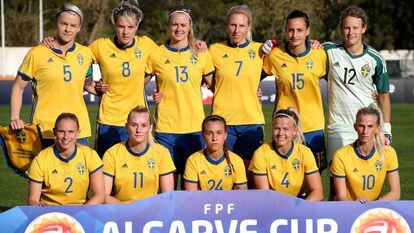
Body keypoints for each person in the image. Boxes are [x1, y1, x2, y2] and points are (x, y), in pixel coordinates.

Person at [323, 5, 391, 199]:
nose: (350, 32)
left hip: (367, 126)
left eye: (355, 27)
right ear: (341, 28)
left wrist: (387, 130)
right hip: (338, 126)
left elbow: (384, 95)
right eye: (346, 28)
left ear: (363, 28)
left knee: (369, 180)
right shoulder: (329, 50)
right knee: (336, 183)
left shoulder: (375, 59)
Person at [10, 4, 96, 148]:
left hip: (78, 130)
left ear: (79, 28)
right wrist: (14, 117)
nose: (68, 29)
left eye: (73, 25)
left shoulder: (86, 54)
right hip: (44, 130)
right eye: (64, 24)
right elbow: (18, 87)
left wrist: (101, 88)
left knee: (79, 171)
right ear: (56, 23)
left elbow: (88, 84)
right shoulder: (37, 53)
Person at [146, 6, 215, 182]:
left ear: (190, 26)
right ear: (169, 26)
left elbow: (218, 86)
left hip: (194, 130)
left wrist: (254, 91)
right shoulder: (156, 53)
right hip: (165, 130)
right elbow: (136, 84)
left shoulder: (201, 53)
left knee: (191, 189)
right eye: (175, 24)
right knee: (166, 191)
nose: (179, 29)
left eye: (183, 25)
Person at [90, 0, 158, 157]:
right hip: (109, 119)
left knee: (139, 169)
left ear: (137, 27)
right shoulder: (100, 46)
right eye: (121, 26)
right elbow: (78, 60)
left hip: (138, 120)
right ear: (115, 26)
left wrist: (195, 43)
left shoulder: (147, 45)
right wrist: (91, 85)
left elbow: (167, 58)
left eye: (130, 27)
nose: (125, 32)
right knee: (106, 170)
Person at [263, 10, 327, 172]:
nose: (295, 35)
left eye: (299, 30)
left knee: (314, 178)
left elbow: (338, 83)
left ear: (308, 31)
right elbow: (251, 77)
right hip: (284, 127)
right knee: (285, 176)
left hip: (312, 126)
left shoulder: (319, 54)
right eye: (291, 30)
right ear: (286, 30)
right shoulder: (275, 55)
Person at [208, 5, 265, 173]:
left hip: (251, 122)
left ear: (248, 27)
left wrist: (312, 44)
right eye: (233, 25)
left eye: (241, 26)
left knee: (251, 175)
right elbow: (210, 80)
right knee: (224, 173)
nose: (236, 30)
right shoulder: (214, 50)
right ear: (227, 25)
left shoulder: (260, 50)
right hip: (223, 122)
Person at [27, 113, 104, 206]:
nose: (66, 136)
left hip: (82, 210)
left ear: (78, 133)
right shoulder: (41, 159)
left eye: (71, 131)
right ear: (54, 132)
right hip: (51, 212)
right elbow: (33, 199)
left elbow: (100, 195)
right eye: (61, 131)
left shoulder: (90, 155)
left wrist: (81, 212)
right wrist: (39, 209)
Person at [102, 106, 175, 204]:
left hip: (152, 211)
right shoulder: (112, 154)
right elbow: (103, 196)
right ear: (126, 127)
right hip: (121, 211)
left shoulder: (162, 153)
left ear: (150, 127)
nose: (138, 130)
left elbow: (168, 196)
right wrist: (127, 210)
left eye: (144, 125)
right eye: (134, 125)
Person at [249, 108, 323, 201]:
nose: (281, 133)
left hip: (299, 204)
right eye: (277, 128)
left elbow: (318, 192)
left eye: (285, 129)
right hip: (272, 205)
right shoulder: (261, 153)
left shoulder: (305, 152)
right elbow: (265, 195)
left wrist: (300, 210)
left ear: (295, 130)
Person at [330, 105, 400, 203]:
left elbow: (395, 193)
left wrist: (372, 206)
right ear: (355, 127)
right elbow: (341, 196)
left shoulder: (388, 153)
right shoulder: (341, 156)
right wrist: (355, 204)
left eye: (370, 126)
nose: (365, 131)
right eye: (361, 126)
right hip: (349, 208)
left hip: (375, 208)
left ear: (378, 129)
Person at [183, 115, 247, 190]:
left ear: (225, 135)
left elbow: (240, 196)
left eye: (219, 133)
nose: (214, 138)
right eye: (209, 133)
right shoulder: (193, 160)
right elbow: (191, 197)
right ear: (203, 135)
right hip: (201, 202)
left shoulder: (236, 161)